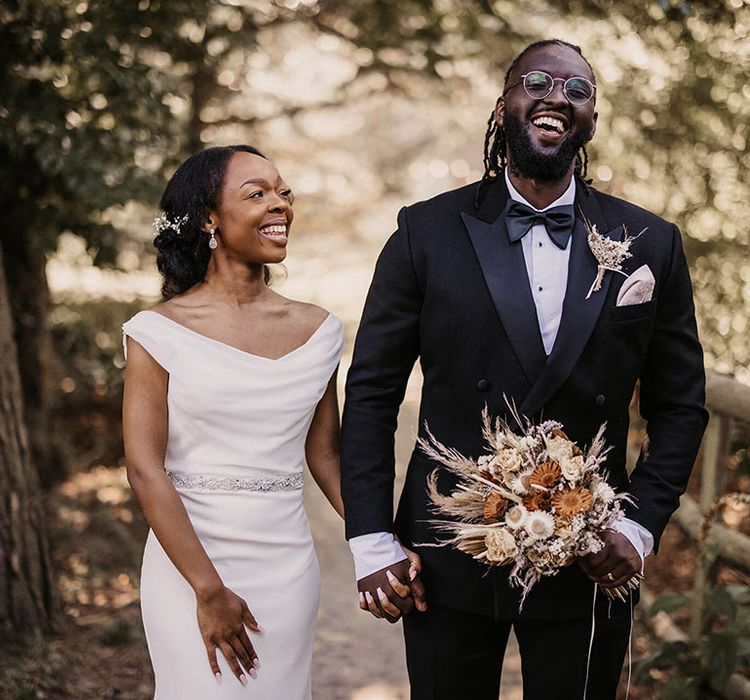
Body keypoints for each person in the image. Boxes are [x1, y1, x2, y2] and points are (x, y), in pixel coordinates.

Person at [340, 40, 708, 699]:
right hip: (447, 550)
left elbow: (680, 405)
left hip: (592, 556)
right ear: (505, 102)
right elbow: (370, 393)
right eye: (537, 81)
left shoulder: (650, 243)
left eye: (578, 90)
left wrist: (638, 525)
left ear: (591, 120)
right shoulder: (425, 232)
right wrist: (371, 539)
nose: (557, 97)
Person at [122, 144, 421, 698]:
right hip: (188, 566)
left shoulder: (318, 330)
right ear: (210, 218)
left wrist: (382, 543)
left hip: (286, 567)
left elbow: (325, 454)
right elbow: (144, 468)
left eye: (283, 191)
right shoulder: (156, 331)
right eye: (255, 193)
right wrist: (208, 589)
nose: (279, 204)